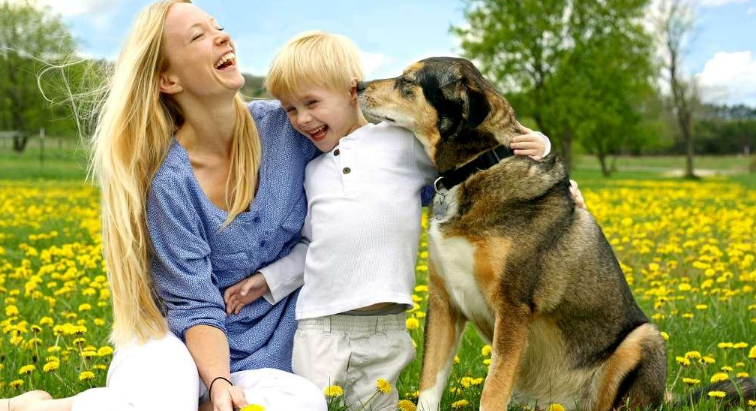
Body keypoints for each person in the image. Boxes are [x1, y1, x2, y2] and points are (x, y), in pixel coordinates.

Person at [0, 0, 326, 411]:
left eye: (216, 25)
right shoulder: (170, 182)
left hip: (258, 357)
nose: (222, 35)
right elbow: (194, 305)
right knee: (168, 399)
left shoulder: (289, 129)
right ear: (168, 79)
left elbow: (367, 161)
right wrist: (219, 382)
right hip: (171, 341)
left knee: (306, 403)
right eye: (198, 36)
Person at [223, 31, 562, 410]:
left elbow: (478, 161)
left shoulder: (401, 143)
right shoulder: (312, 171)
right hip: (321, 326)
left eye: (312, 103)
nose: (302, 119)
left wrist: (540, 146)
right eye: (289, 109)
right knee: (313, 403)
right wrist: (267, 281)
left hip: (388, 328)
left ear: (352, 90)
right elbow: (311, 247)